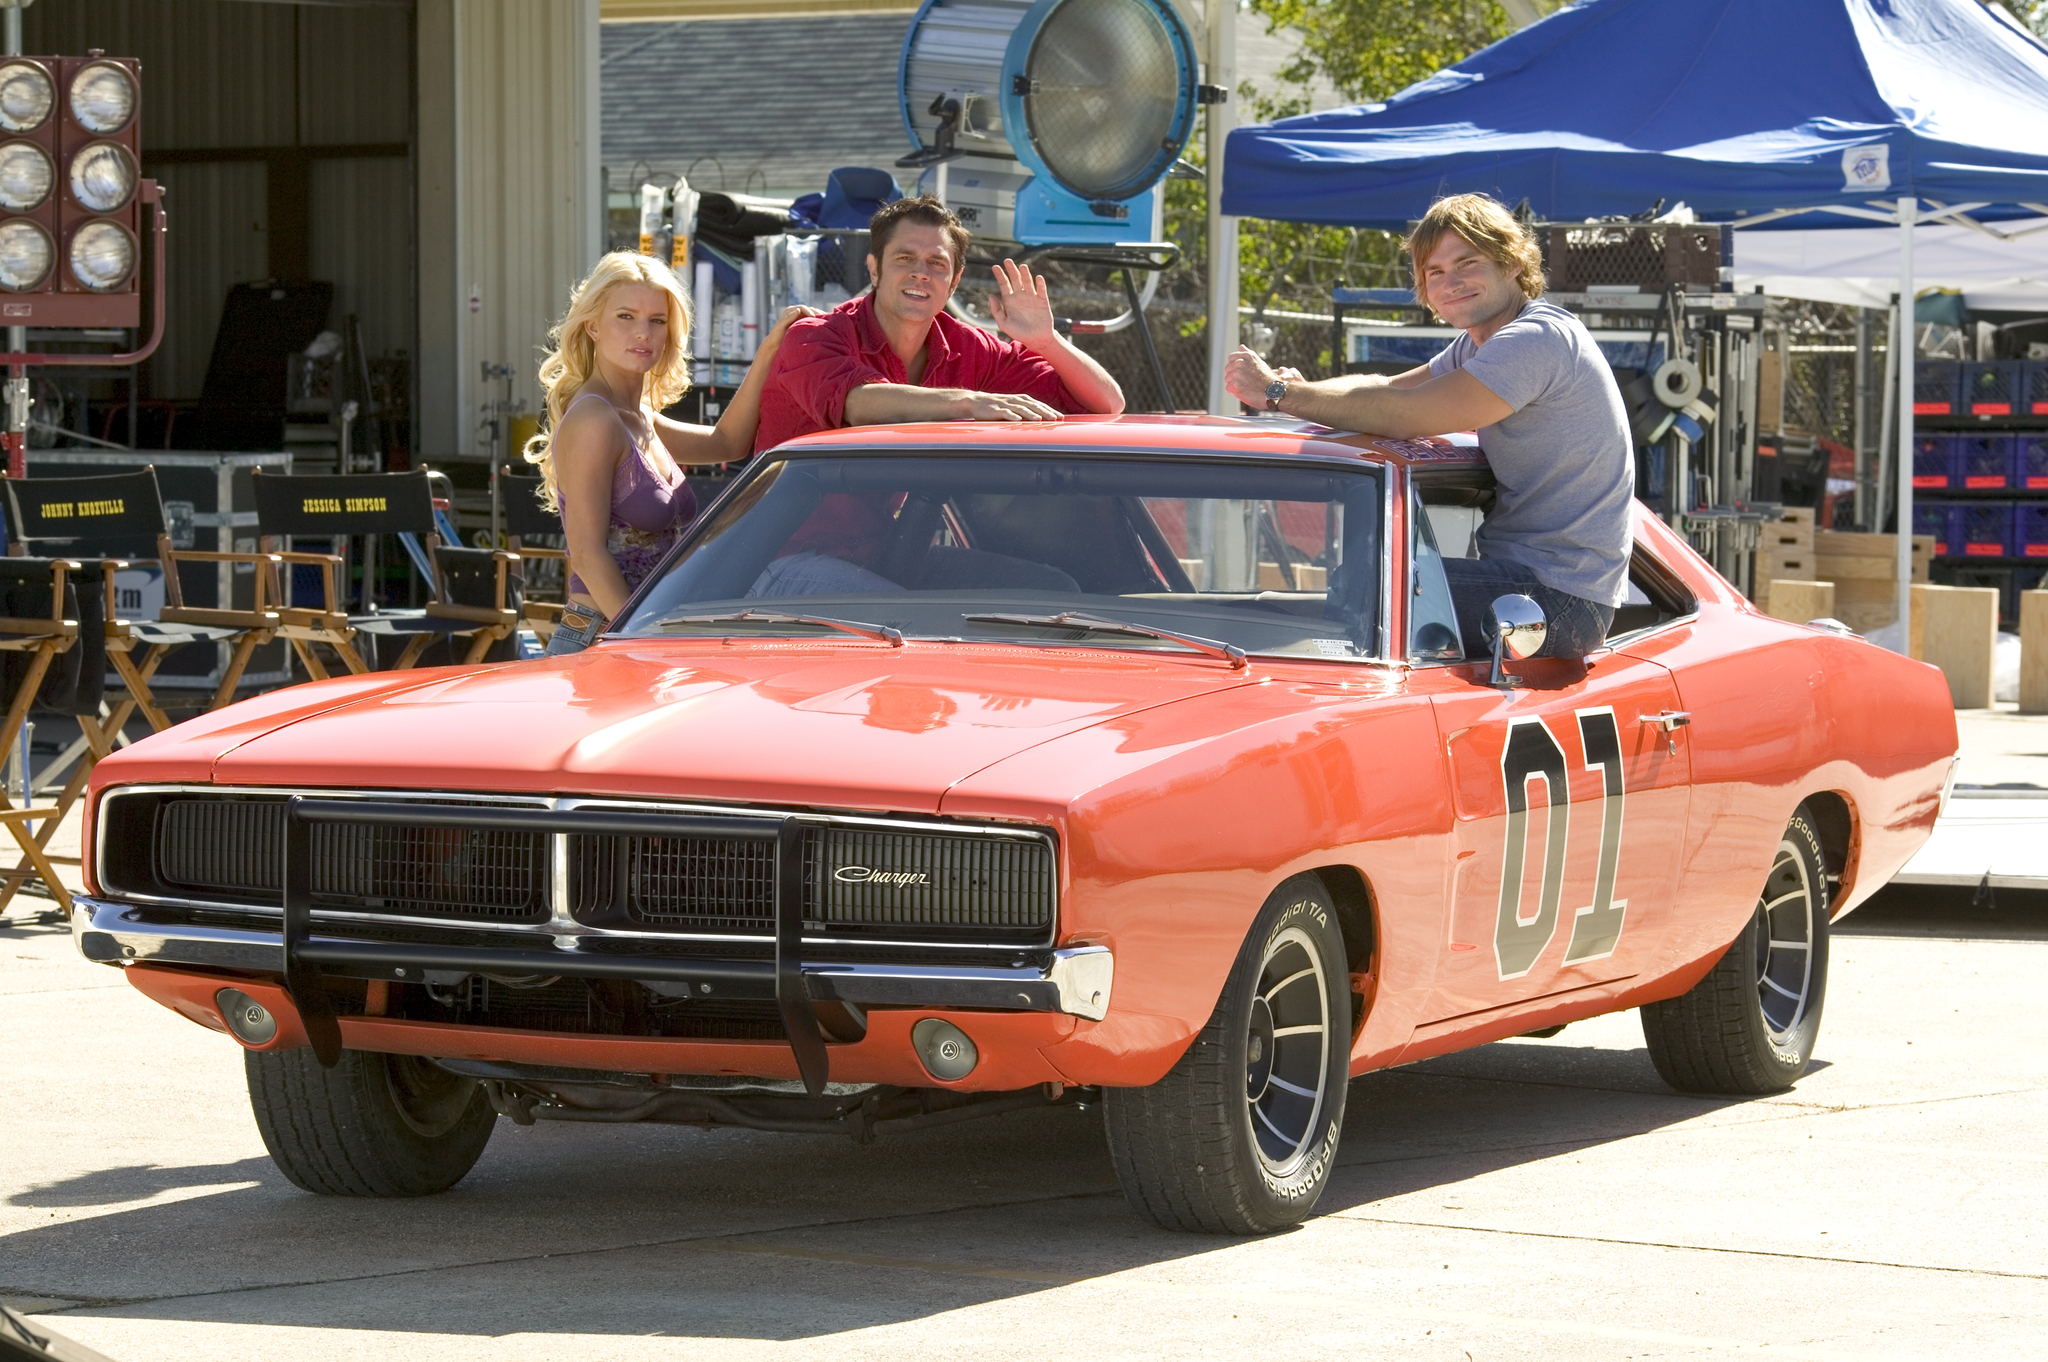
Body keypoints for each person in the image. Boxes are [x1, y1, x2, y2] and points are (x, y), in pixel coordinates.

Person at [1223, 193, 1634, 659]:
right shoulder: (1481, 343)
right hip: (1528, 585)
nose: (1450, 282)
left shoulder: (1535, 339)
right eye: (1434, 272)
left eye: (1468, 262)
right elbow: (1388, 386)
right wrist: (1300, 390)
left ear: (1513, 263)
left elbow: (1405, 415)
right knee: (1358, 593)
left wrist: (1281, 396)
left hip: (1557, 602)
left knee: (1364, 593)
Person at [522, 251, 813, 624]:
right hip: (602, 638)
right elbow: (587, 556)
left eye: (657, 320)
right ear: (592, 326)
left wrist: (769, 351)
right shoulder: (594, 419)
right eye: (625, 317)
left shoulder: (639, 418)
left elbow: (726, 443)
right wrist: (639, 637)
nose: (643, 332)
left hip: (646, 632)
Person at [752, 195, 1124, 454]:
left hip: (896, 550)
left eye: (937, 263)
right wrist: (969, 401)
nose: (921, 273)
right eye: (905, 258)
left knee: (1046, 574)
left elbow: (1106, 406)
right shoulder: (813, 336)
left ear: (955, 281)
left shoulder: (974, 349)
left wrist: (1047, 341)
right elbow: (859, 404)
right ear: (874, 268)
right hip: (782, 556)